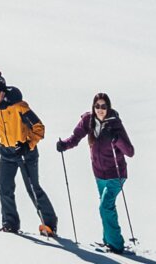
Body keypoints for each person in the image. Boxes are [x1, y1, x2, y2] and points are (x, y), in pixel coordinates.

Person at [0, 70, 58, 237]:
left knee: (33, 188)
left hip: (26, 153)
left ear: (4, 91)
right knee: (5, 189)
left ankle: (50, 224)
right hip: (6, 152)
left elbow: (39, 128)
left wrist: (27, 144)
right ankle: (10, 223)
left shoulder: (19, 106)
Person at [57, 92, 135, 253]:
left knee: (105, 206)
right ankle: (108, 239)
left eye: (103, 106)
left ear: (108, 107)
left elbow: (130, 151)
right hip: (99, 173)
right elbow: (75, 137)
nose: (100, 109)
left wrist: (117, 139)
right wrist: (64, 145)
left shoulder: (115, 124)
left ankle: (116, 245)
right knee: (106, 206)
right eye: (97, 106)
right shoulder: (88, 120)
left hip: (116, 173)